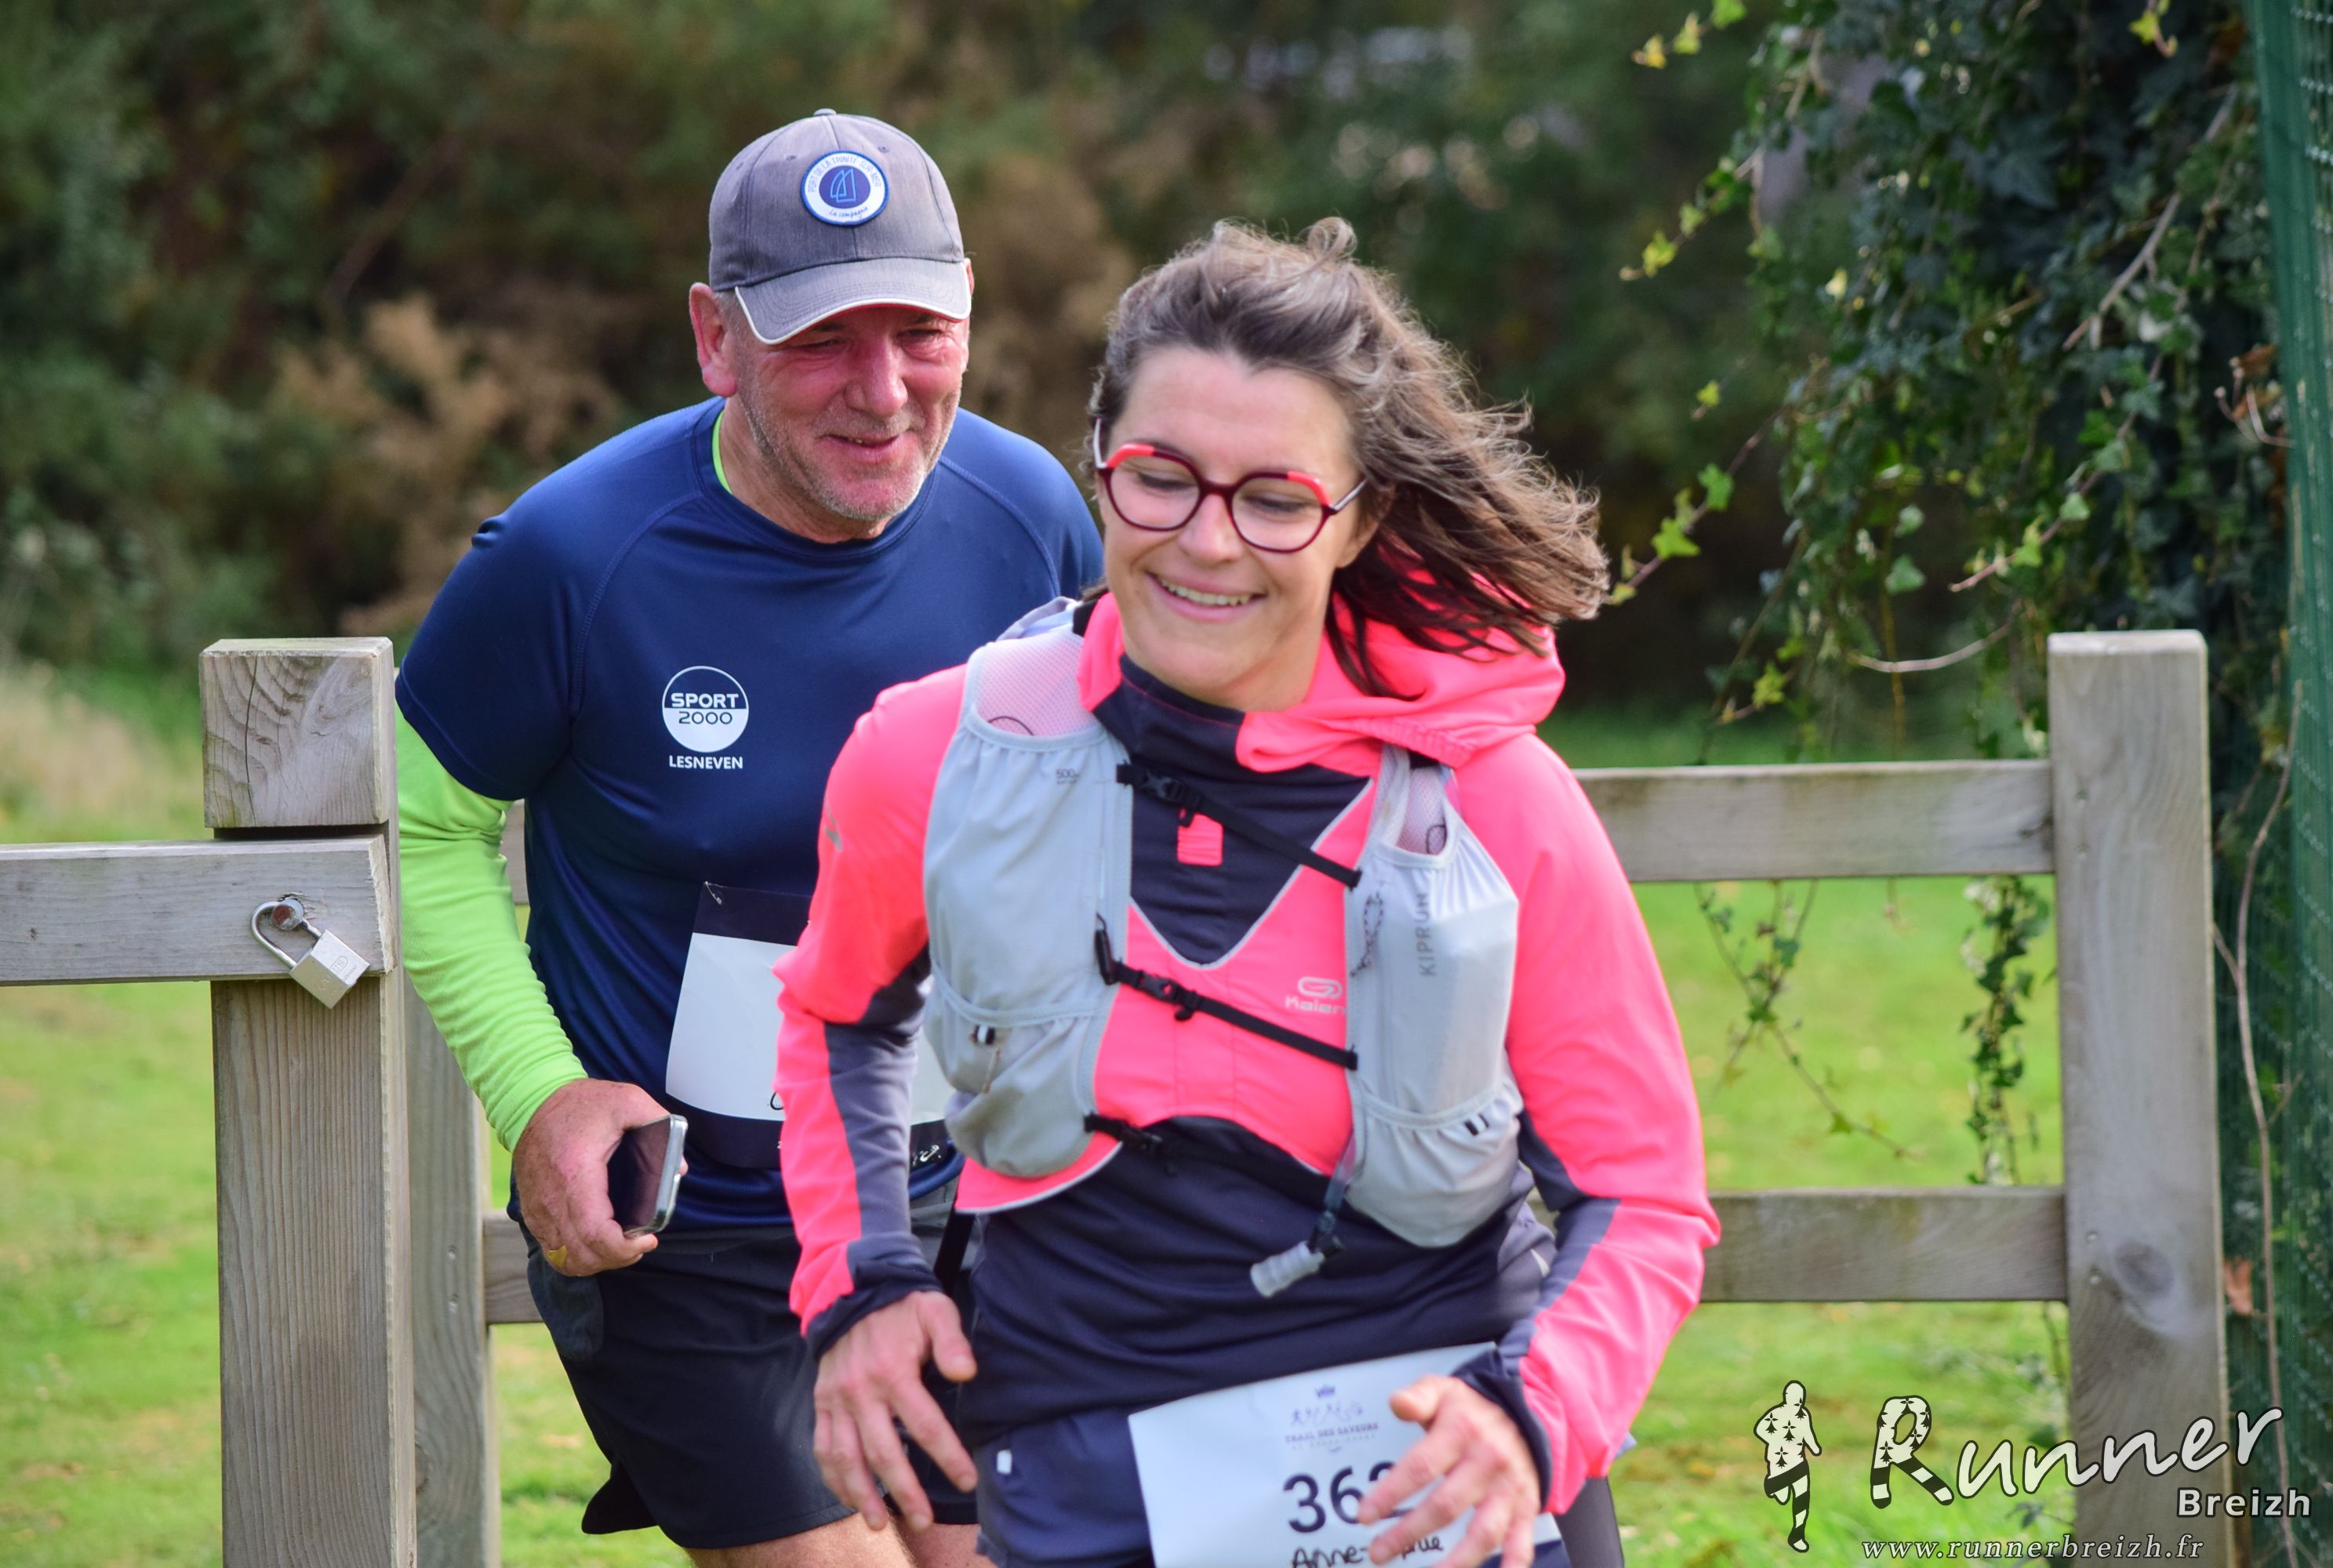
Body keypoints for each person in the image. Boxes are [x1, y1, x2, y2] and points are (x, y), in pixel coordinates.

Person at [774, 218, 1718, 1568]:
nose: (1208, 544)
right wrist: (860, 1282)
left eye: (1276, 500)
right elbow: (832, 1014)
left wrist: (1532, 1414)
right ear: (1100, 466)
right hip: (1085, 1472)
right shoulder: (937, 753)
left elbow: (1644, 1192)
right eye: (1161, 479)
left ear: (1361, 519)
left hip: (1449, 1474)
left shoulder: (1496, 798)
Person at [396, 108, 1100, 1567]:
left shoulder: (1032, 516)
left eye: (919, 333)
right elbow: (423, 833)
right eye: (822, 340)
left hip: (962, 1208)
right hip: (695, 1239)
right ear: (717, 339)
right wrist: (539, 1094)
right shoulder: (568, 559)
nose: (882, 391)